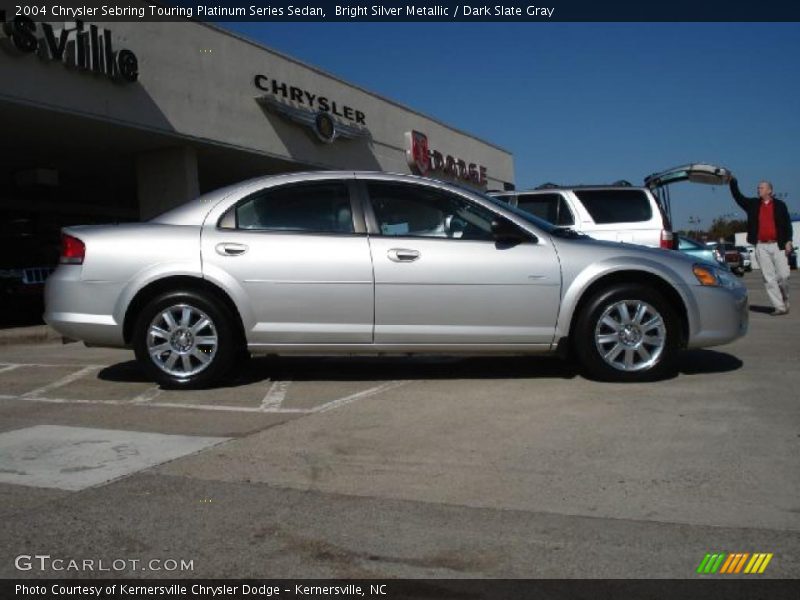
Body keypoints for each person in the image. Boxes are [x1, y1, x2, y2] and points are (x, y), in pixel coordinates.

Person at [729, 177, 793, 315]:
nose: (758, 189)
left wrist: (788, 241)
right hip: (761, 246)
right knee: (768, 278)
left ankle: (784, 297)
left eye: (762, 187)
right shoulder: (753, 204)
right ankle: (779, 307)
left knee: (784, 275)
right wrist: (732, 183)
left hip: (778, 245)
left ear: (770, 190)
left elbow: (787, 224)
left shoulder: (780, 205)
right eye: (758, 188)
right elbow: (738, 197)